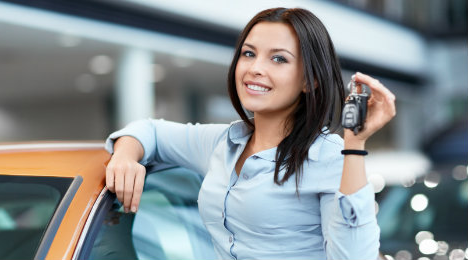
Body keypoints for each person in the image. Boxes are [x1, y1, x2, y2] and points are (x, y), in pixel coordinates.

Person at [104, 7, 396, 260]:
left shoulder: (328, 155)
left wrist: (354, 144)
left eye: (278, 59)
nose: (255, 68)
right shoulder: (223, 142)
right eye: (248, 53)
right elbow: (150, 131)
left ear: (310, 80)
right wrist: (126, 156)